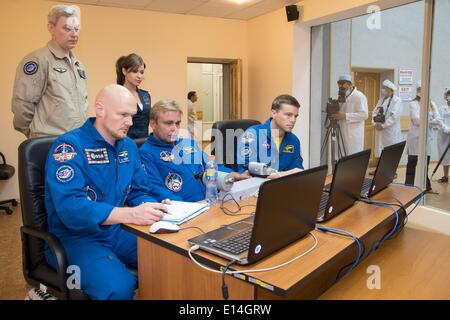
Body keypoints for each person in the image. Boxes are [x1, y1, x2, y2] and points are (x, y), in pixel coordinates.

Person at [44, 85, 168, 300]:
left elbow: (139, 191)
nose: (130, 122)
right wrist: (129, 214)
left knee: (169, 260)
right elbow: (70, 208)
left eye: (132, 115)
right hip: (75, 239)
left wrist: (152, 207)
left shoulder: (128, 146)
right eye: (123, 115)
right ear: (100, 109)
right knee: (119, 288)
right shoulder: (69, 147)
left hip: (117, 231)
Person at [140, 100, 247, 202]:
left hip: (211, 202)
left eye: (177, 123)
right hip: (185, 211)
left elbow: (212, 165)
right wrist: (189, 209)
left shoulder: (188, 143)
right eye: (169, 123)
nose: (174, 128)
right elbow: (156, 190)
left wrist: (235, 175)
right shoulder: (146, 153)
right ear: (153, 124)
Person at [12, 5, 88, 138]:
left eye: (77, 29)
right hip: (50, 142)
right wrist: (35, 135)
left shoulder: (78, 65)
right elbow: (22, 105)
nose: (74, 34)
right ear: (51, 28)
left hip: (77, 141)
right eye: (67, 28)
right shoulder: (38, 60)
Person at [236, 94, 304, 174]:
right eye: (288, 115)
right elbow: (245, 171)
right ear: (273, 113)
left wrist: (280, 176)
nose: (293, 120)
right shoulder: (252, 135)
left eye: (295, 116)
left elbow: (297, 171)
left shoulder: (294, 140)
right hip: (257, 185)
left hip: (283, 184)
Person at [405, 81, 440, 191]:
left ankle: (426, 186)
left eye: (423, 89)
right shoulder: (413, 104)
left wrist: (427, 121)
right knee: (412, 163)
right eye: (419, 89)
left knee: (425, 165)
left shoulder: (432, 103)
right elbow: (416, 120)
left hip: (427, 139)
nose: (421, 91)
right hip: (415, 139)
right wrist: (430, 121)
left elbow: (438, 119)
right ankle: (408, 186)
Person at [329, 75, 369, 155]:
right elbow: (340, 111)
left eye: (343, 85)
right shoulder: (342, 96)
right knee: (342, 156)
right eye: (339, 85)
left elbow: (364, 115)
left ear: (350, 84)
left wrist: (345, 116)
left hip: (353, 134)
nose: (341, 87)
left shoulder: (359, 96)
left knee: (353, 157)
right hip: (342, 131)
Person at [116, 53, 151, 139]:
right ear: (124, 71)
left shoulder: (146, 95)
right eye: (135, 71)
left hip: (144, 143)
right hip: (125, 143)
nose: (139, 76)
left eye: (141, 72)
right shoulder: (116, 95)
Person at [372, 79, 402, 158]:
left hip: (390, 131)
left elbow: (394, 116)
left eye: (384, 88)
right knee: (380, 152)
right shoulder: (381, 100)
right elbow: (375, 112)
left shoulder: (397, 101)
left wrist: (383, 126)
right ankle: (380, 170)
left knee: (390, 153)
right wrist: (374, 123)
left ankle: (388, 170)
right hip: (379, 129)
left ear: (390, 90)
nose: (383, 90)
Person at [435, 88, 450, 183]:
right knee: (445, 157)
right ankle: (445, 176)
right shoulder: (441, 109)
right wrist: (447, 130)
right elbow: (439, 121)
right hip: (444, 136)